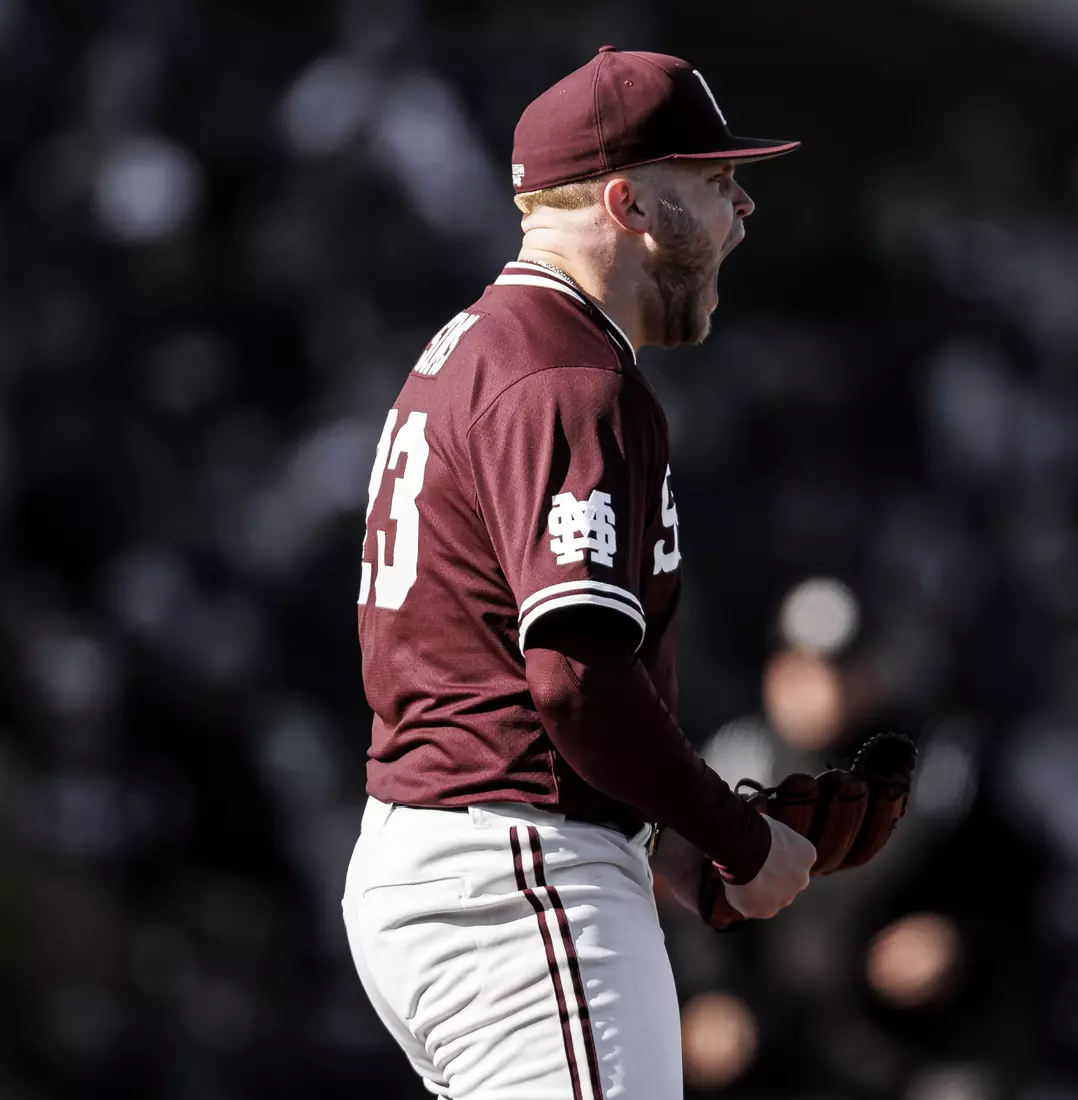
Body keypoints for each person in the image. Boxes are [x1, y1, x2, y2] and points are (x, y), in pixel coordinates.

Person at [341, 46, 816, 1099]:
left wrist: (666, 835)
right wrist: (731, 834)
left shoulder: (480, 348)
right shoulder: (569, 377)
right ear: (627, 201)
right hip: (516, 874)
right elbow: (572, 681)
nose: (741, 209)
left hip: (462, 853)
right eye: (713, 181)